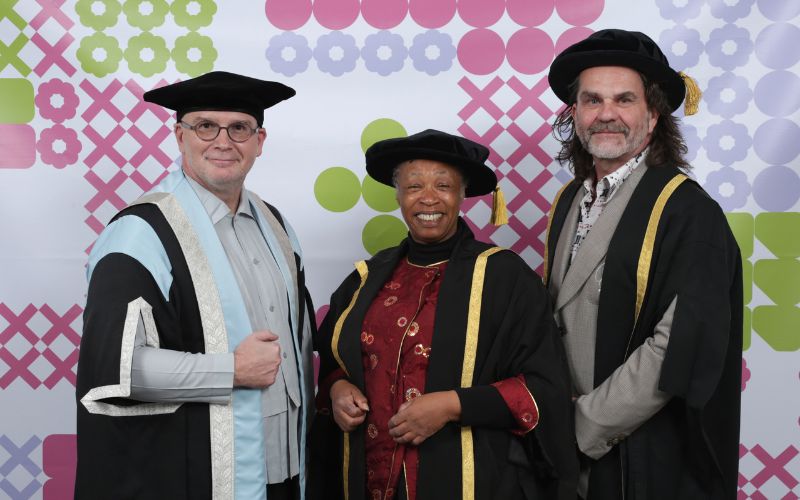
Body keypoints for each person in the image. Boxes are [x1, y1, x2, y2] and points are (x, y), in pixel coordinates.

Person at [75, 71, 315, 500]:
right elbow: (113, 370)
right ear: (179, 135)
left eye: (239, 127)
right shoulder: (141, 233)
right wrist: (232, 371)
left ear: (259, 141)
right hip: (196, 476)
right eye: (205, 125)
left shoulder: (277, 226)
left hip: (285, 469)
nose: (223, 141)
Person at [310, 129, 578, 500]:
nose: (428, 198)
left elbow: (544, 387)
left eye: (444, 185)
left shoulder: (503, 277)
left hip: (470, 477)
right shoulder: (366, 278)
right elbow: (334, 363)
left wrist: (453, 405)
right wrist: (337, 389)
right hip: (369, 476)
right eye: (413, 186)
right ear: (398, 195)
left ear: (463, 192)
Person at [543, 29, 743, 499]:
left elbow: (677, 347)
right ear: (575, 115)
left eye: (623, 99)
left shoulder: (689, 213)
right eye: (592, 100)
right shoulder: (569, 200)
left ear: (653, 115)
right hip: (567, 458)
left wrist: (580, 427)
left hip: (642, 455)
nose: (606, 113)